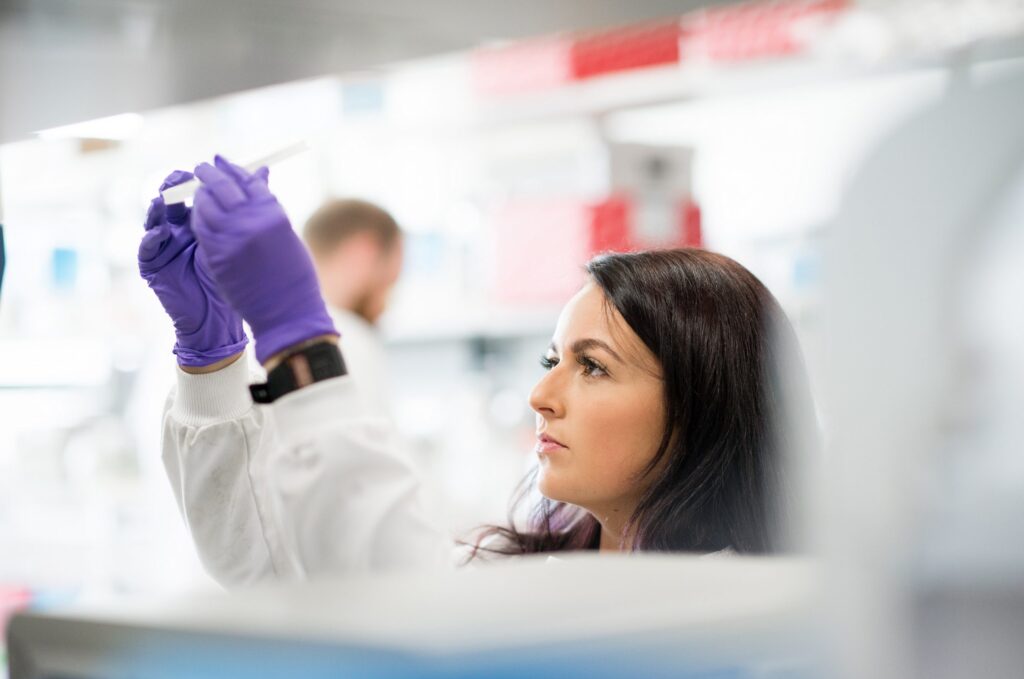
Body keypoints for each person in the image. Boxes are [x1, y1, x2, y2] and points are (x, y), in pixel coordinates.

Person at [139, 157, 810, 586]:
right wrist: (212, 357)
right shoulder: (521, 573)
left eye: (592, 367)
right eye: (552, 360)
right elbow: (270, 573)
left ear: (703, 405)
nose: (540, 396)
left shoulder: (720, 610)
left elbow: (401, 603)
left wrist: (302, 339)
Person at [303, 199, 404, 418]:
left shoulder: (265, 336)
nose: (385, 306)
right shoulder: (345, 340)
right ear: (364, 253)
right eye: (389, 283)